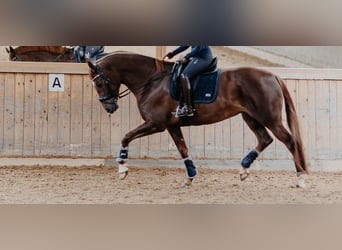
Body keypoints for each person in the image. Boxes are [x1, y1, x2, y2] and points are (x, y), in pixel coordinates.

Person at [166, 46, 214, 117]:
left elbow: (199, 48)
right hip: (197, 56)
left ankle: (188, 108)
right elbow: (185, 45)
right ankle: (182, 105)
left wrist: (186, 57)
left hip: (203, 58)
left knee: (184, 75)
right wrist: (173, 53)